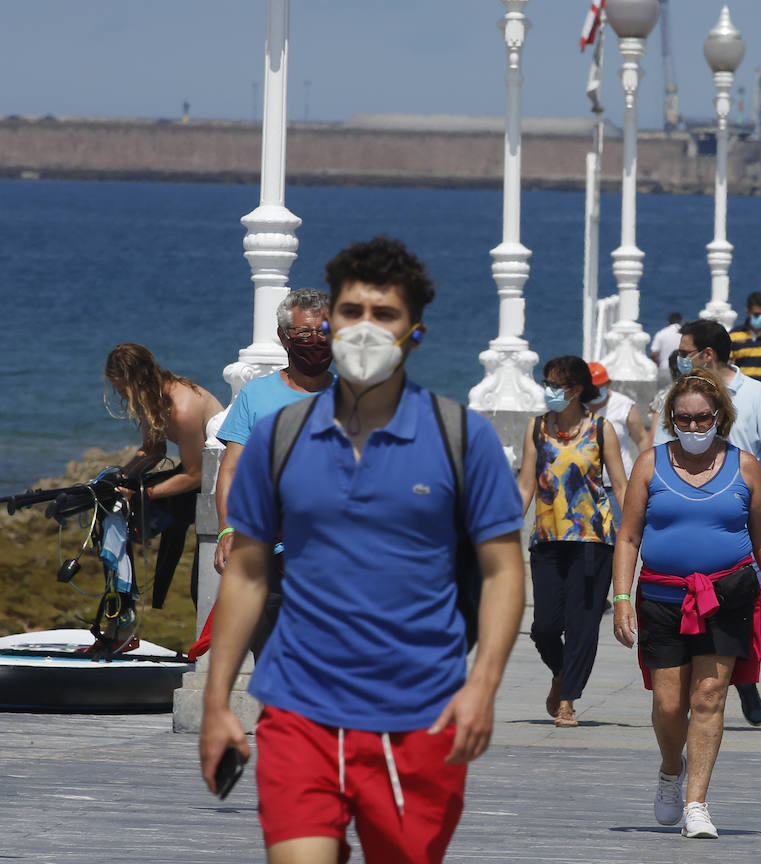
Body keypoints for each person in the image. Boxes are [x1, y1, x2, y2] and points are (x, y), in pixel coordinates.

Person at [201, 236, 527, 863]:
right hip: (299, 711)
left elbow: (504, 570)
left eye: (386, 315)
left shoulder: (463, 438)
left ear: (416, 332)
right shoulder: (281, 436)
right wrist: (218, 703)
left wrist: (482, 685)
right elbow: (245, 572)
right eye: (351, 313)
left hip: (418, 717)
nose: (364, 329)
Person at [611, 367, 761, 839]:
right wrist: (622, 597)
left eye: (702, 418)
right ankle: (671, 770)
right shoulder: (650, 465)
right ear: (672, 418)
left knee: (708, 698)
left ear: (721, 417)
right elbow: (629, 536)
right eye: (684, 419)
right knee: (670, 705)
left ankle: (697, 803)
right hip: (662, 598)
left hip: (728, 595)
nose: (693, 427)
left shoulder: (746, 466)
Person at [658, 319, 761, 726]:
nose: (679, 358)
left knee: (741, 600)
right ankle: (705, 681)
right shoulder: (680, 397)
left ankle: (740, 677)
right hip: (688, 518)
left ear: (707, 354)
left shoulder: (754, 393)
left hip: (741, 521)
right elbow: (657, 454)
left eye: (685, 350)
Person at [213, 289, 333, 657]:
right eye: (303, 334)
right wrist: (227, 529)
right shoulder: (256, 395)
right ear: (284, 338)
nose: (315, 341)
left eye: (324, 331)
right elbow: (231, 469)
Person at [518, 356, 628, 728]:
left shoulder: (601, 429)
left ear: (577, 389)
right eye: (546, 383)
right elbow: (525, 485)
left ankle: (567, 701)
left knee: (582, 624)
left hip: (593, 540)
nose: (548, 390)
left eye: (555, 384)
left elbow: (621, 485)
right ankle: (562, 673)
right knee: (544, 627)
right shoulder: (536, 428)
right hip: (547, 538)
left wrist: (636, 532)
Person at [103, 342, 224, 612]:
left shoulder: (183, 408)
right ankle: (127, 604)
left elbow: (196, 475)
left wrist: (145, 495)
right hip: (199, 474)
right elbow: (153, 450)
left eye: (122, 388)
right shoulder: (152, 398)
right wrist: (121, 477)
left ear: (138, 381)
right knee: (115, 507)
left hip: (222, 481)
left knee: (201, 587)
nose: (120, 395)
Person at [586, 361, 651, 480]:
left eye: (599, 386)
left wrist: (650, 470)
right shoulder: (575, 406)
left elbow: (642, 438)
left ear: (608, 384)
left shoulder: (624, 405)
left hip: (620, 482)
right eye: (591, 387)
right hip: (583, 484)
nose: (595, 390)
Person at [650, 313, 684, 379]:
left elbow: (653, 354)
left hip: (664, 368)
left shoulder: (661, 333)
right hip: (682, 369)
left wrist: (658, 364)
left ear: (669, 322)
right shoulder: (685, 333)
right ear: (680, 321)